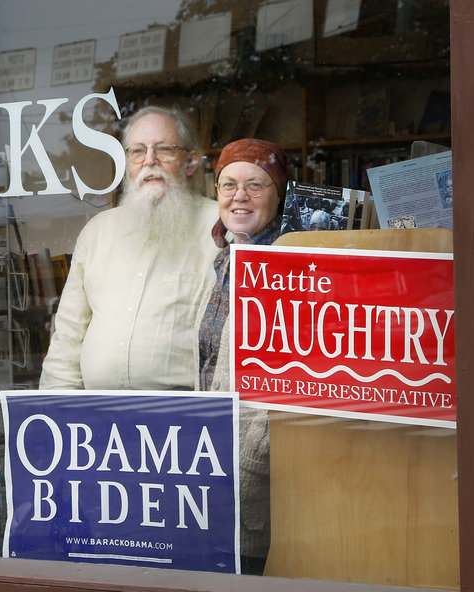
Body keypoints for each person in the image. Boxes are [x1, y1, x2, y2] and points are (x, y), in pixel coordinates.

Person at [38, 106, 219, 390]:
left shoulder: (221, 230)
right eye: (137, 151)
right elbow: (68, 340)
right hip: (97, 420)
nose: (149, 161)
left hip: (186, 422)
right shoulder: (98, 232)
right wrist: (55, 411)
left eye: (164, 149)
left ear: (191, 162)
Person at [194, 138, 292, 575]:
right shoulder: (224, 259)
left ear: (280, 193)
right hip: (211, 467)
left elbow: (299, 377)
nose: (239, 196)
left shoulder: (292, 260)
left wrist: (257, 449)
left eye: (256, 185)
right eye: (228, 184)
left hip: (258, 475)